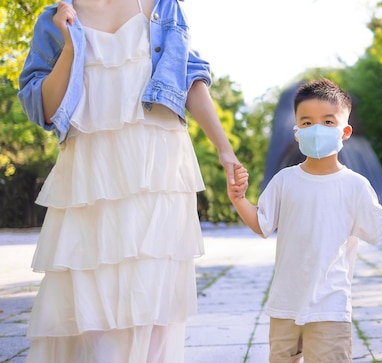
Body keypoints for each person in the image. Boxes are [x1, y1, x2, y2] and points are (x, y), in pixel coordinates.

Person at [17, 0, 239, 361]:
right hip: (89, 174)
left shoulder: (163, 6)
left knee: (151, 306)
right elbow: (42, 106)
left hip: (158, 170)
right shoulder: (54, 18)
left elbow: (189, 76)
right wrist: (71, 44)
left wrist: (224, 150)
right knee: (89, 305)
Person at [226, 78, 382, 362]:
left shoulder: (354, 185)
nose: (316, 130)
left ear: (345, 131)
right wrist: (239, 200)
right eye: (307, 123)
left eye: (327, 122)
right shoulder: (284, 180)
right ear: (296, 131)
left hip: (330, 307)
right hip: (285, 306)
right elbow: (262, 224)